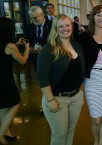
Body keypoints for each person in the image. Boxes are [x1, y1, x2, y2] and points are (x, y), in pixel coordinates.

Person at [37, 14, 85, 145]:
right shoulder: (48, 49)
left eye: (67, 25)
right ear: (55, 29)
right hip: (57, 98)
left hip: (76, 97)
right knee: (59, 135)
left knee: (70, 130)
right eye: (61, 26)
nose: (65, 28)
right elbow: (42, 77)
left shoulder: (77, 45)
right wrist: (50, 99)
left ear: (72, 27)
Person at [77, 5, 102, 145]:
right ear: (92, 17)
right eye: (98, 15)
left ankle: (100, 143)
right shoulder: (84, 37)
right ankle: (96, 141)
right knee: (96, 118)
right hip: (92, 80)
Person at [0, 17, 29, 144]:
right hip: (5, 80)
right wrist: (27, 49)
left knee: (2, 107)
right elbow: (22, 61)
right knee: (15, 103)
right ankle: (0, 133)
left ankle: (7, 133)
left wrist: (16, 45)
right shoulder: (10, 46)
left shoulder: (9, 45)